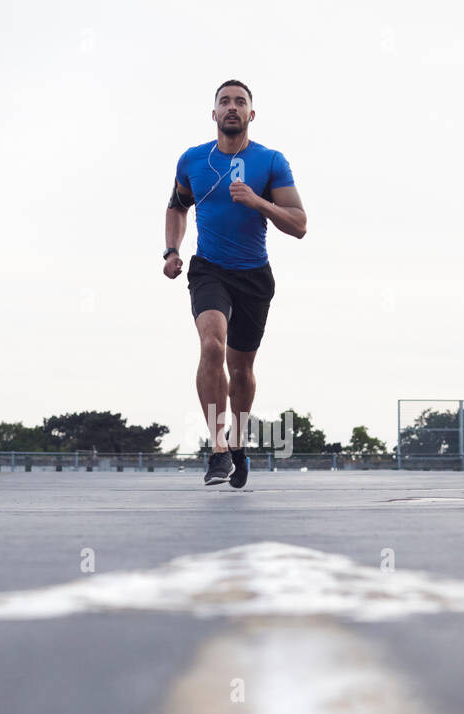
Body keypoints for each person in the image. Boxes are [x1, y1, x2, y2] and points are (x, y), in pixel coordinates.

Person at [163, 79, 307, 486]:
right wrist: (171, 251)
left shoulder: (271, 161)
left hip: (254, 276)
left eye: (239, 102)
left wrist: (258, 201)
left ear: (250, 115)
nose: (231, 107)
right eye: (224, 101)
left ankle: (239, 440)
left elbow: (299, 225)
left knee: (241, 371)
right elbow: (176, 207)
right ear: (213, 113)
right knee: (212, 345)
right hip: (209, 268)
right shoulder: (192, 160)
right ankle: (218, 449)